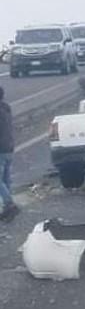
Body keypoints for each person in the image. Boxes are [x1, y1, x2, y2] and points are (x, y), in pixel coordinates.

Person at [0, 86, 16, 221]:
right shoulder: (6, 108)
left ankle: (9, 203)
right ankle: (7, 205)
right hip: (9, 148)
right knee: (6, 178)